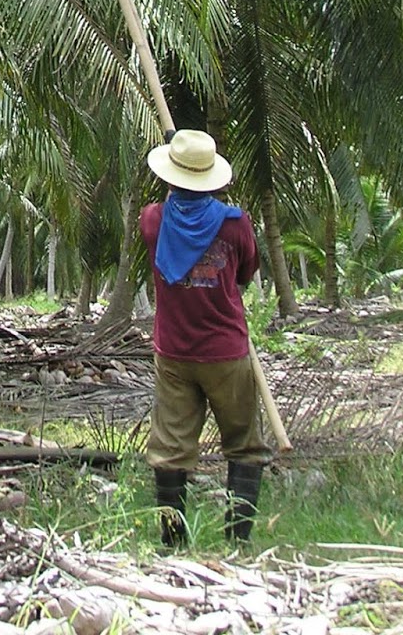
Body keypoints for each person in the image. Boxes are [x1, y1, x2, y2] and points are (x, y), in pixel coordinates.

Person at [140, 128, 269, 548]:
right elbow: (246, 274)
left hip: (174, 353)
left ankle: (173, 543)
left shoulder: (153, 221)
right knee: (244, 446)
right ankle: (238, 542)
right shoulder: (235, 225)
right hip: (227, 353)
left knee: (171, 450)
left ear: (171, 175)